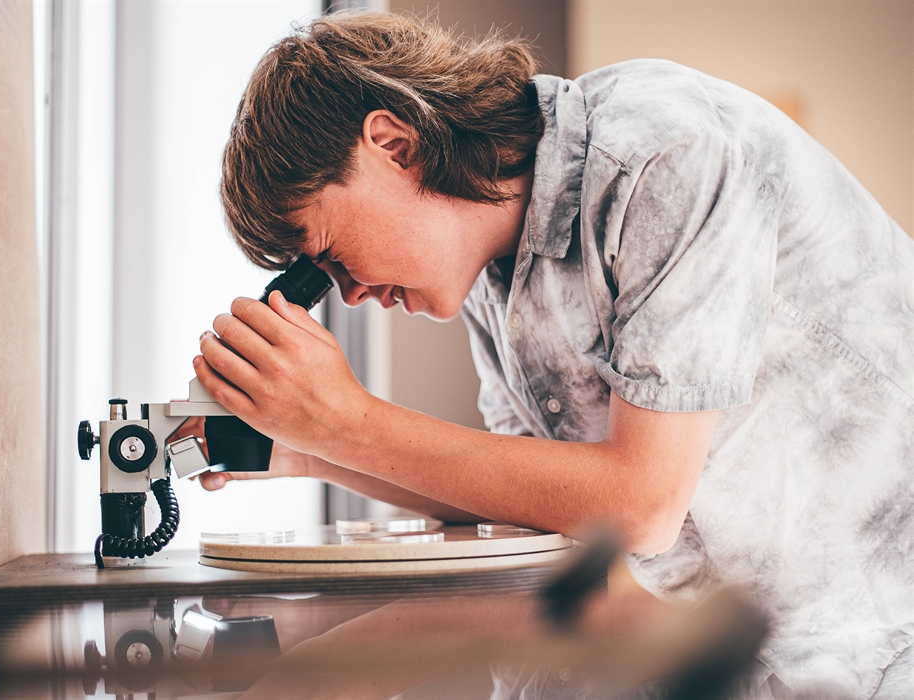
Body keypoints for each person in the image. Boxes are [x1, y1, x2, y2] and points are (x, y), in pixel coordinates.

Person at [193, 12, 912, 699]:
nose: (344, 294)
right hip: (752, 655)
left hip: (884, 646)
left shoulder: (662, 153)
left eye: (326, 254)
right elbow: (543, 505)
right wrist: (308, 450)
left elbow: (642, 505)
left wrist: (347, 421)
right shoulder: (492, 276)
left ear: (394, 144)